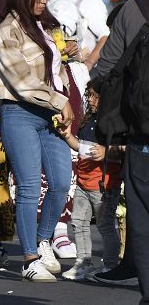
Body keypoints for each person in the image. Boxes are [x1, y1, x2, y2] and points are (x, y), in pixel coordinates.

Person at [0, 0, 75, 282]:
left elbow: (54, 69)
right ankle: (29, 258)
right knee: (27, 187)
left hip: (51, 113)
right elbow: (22, 82)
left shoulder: (45, 24)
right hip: (19, 112)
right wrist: (59, 99)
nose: (43, 1)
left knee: (61, 183)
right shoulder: (7, 30)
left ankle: (43, 239)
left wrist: (65, 72)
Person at [87, 0, 149, 294]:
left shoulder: (134, 9)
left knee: (141, 213)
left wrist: (94, 89)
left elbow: (109, 64)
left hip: (141, 127)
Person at [54, 86, 123, 281]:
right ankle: (83, 263)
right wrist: (67, 136)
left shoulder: (112, 123)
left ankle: (111, 265)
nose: (91, 100)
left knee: (105, 226)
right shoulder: (87, 121)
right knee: (78, 223)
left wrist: (107, 150)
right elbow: (80, 146)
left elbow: (123, 149)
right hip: (84, 184)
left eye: (95, 96)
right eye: (89, 96)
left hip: (104, 185)